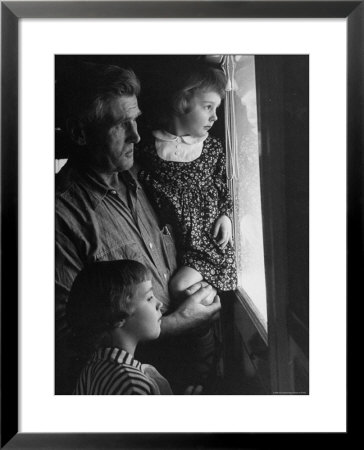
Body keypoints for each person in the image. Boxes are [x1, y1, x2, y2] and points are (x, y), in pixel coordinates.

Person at [55, 61, 221, 395]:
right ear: (79, 133)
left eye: (136, 119)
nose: (137, 134)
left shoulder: (143, 175)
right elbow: (69, 337)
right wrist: (176, 323)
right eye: (121, 124)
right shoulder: (59, 216)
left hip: (192, 369)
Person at [137, 64, 237, 301]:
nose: (214, 116)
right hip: (173, 243)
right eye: (207, 107)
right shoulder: (150, 147)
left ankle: (209, 302)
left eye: (216, 108)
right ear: (183, 102)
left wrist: (225, 215)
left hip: (206, 242)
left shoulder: (211, 148)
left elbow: (223, 184)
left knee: (181, 288)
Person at [67, 260, 202, 395]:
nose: (159, 303)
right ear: (119, 317)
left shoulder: (93, 369)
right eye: (149, 298)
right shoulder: (132, 384)